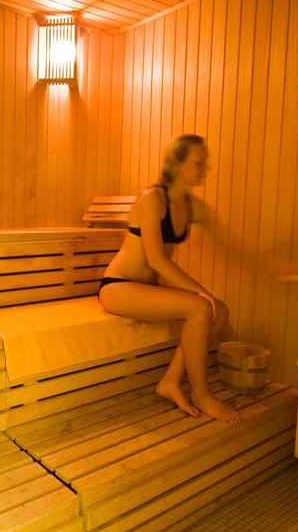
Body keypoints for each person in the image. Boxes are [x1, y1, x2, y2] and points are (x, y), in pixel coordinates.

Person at [98, 134, 245, 423]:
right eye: (198, 162)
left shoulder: (191, 206)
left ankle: (171, 381)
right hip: (119, 286)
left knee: (220, 310)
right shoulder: (152, 200)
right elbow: (156, 260)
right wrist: (201, 292)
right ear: (177, 163)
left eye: (205, 162)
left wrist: (271, 265)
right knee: (201, 306)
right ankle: (202, 395)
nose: (205, 168)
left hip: (146, 288)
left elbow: (232, 244)